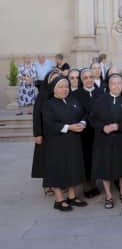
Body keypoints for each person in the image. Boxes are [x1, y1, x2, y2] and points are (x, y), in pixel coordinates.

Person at [90, 73, 122, 209]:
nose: (116, 86)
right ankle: (108, 195)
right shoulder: (100, 100)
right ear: (109, 85)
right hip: (104, 140)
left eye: (119, 83)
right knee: (106, 168)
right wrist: (103, 127)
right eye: (113, 83)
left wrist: (118, 126)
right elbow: (92, 119)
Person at [42, 77, 87, 211]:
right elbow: (49, 124)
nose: (64, 89)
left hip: (73, 142)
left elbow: (83, 114)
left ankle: (71, 196)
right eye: (61, 87)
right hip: (56, 143)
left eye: (66, 86)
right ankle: (59, 199)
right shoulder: (49, 104)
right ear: (54, 89)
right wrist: (69, 127)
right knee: (58, 170)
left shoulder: (73, 100)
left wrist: (83, 123)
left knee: (72, 168)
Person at [70, 68, 103, 198]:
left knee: (96, 158)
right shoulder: (75, 94)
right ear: (81, 80)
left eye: (91, 77)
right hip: (83, 133)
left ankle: (94, 183)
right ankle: (87, 186)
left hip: (98, 132)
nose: (89, 80)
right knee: (86, 159)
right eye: (85, 78)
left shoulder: (101, 92)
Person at [31, 70, 60, 196]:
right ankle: (47, 185)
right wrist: (37, 134)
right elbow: (36, 115)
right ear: (48, 80)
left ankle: (59, 183)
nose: (55, 81)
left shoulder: (61, 93)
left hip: (57, 132)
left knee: (57, 159)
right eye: (52, 78)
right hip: (44, 133)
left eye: (57, 78)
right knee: (45, 159)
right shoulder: (42, 95)